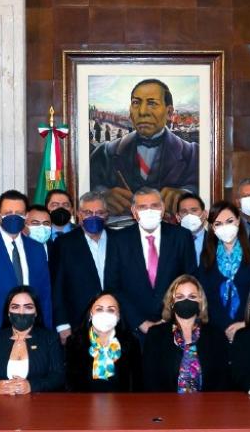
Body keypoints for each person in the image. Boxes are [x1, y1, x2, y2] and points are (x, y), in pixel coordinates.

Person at [89, 79, 199, 216]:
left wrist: (186, 195)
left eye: (152, 103)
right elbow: (89, 187)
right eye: (136, 103)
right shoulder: (104, 153)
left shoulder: (193, 154)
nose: (142, 112)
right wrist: (102, 196)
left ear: (169, 112)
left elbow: (202, 187)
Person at [105, 187, 198, 336]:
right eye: (143, 207)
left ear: (162, 209)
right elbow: (112, 286)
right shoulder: (118, 240)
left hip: (174, 324)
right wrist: (140, 322)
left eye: (154, 206)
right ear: (134, 211)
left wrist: (168, 318)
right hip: (133, 328)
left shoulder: (181, 237)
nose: (149, 211)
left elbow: (190, 280)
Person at [0, 190, 53, 345]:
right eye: (8, 213)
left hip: (34, 332)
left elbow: (45, 294)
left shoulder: (37, 249)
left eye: (19, 213)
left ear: (26, 215)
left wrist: (47, 331)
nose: (14, 217)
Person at [142, 275, 230, 392]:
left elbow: (223, 379)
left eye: (192, 296)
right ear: (171, 301)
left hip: (208, 402)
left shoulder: (216, 335)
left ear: (200, 301)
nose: (186, 301)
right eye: (180, 297)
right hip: (166, 402)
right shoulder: (155, 335)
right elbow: (149, 380)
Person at [199, 201, 250, 341]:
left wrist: (247, 322)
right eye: (218, 224)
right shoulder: (207, 255)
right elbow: (204, 295)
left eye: (229, 221)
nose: (225, 227)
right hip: (216, 331)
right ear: (212, 227)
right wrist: (224, 326)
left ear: (238, 220)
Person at [0, 286, 64, 394]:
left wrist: (31, 386)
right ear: (8, 312)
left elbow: (59, 377)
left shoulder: (50, 338)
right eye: (15, 307)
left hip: (38, 402)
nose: (21, 312)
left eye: (28, 307)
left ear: (36, 312)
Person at [53, 192, 110, 343]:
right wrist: (62, 325)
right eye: (88, 213)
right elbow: (58, 287)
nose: (93, 217)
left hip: (115, 321)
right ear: (79, 215)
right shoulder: (64, 244)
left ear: (106, 215)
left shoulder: (119, 240)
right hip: (78, 324)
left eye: (99, 213)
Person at [64, 292, 142, 392]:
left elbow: (137, 385)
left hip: (122, 401)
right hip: (84, 401)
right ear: (91, 314)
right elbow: (70, 386)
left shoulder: (131, 342)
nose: (104, 314)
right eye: (99, 309)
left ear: (118, 316)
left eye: (111, 310)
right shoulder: (74, 342)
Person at [175, 192, 207, 266]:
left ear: (204, 214)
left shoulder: (216, 241)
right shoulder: (169, 242)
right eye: (184, 211)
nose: (189, 214)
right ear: (178, 217)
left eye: (194, 210)